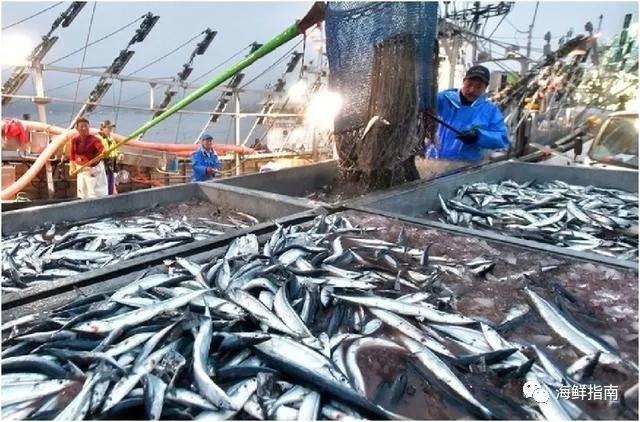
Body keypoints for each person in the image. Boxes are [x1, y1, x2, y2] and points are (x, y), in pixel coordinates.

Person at [422, 65, 510, 178]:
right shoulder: (441, 99)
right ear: (463, 82)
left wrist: (478, 136)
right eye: (469, 84)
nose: (472, 90)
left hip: (465, 169)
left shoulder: (490, 110)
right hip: (430, 164)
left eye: (478, 87)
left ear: (485, 88)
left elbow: (502, 138)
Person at [69, 117, 108, 199]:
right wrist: (71, 167)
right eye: (81, 126)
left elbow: (102, 150)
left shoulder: (94, 140)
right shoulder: (74, 140)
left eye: (86, 126)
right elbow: (72, 155)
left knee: (94, 193)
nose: (84, 128)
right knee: (82, 192)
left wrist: (104, 153)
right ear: (77, 128)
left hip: (93, 170)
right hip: (81, 170)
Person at [96, 120, 118, 195]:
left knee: (111, 183)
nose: (110, 129)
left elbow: (114, 150)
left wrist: (118, 156)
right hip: (103, 164)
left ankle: (111, 196)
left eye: (111, 128)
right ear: (103, 128)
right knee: (104, 183)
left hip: (111, 164)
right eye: (108, 128)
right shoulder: (98, 138)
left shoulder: (110, 138)